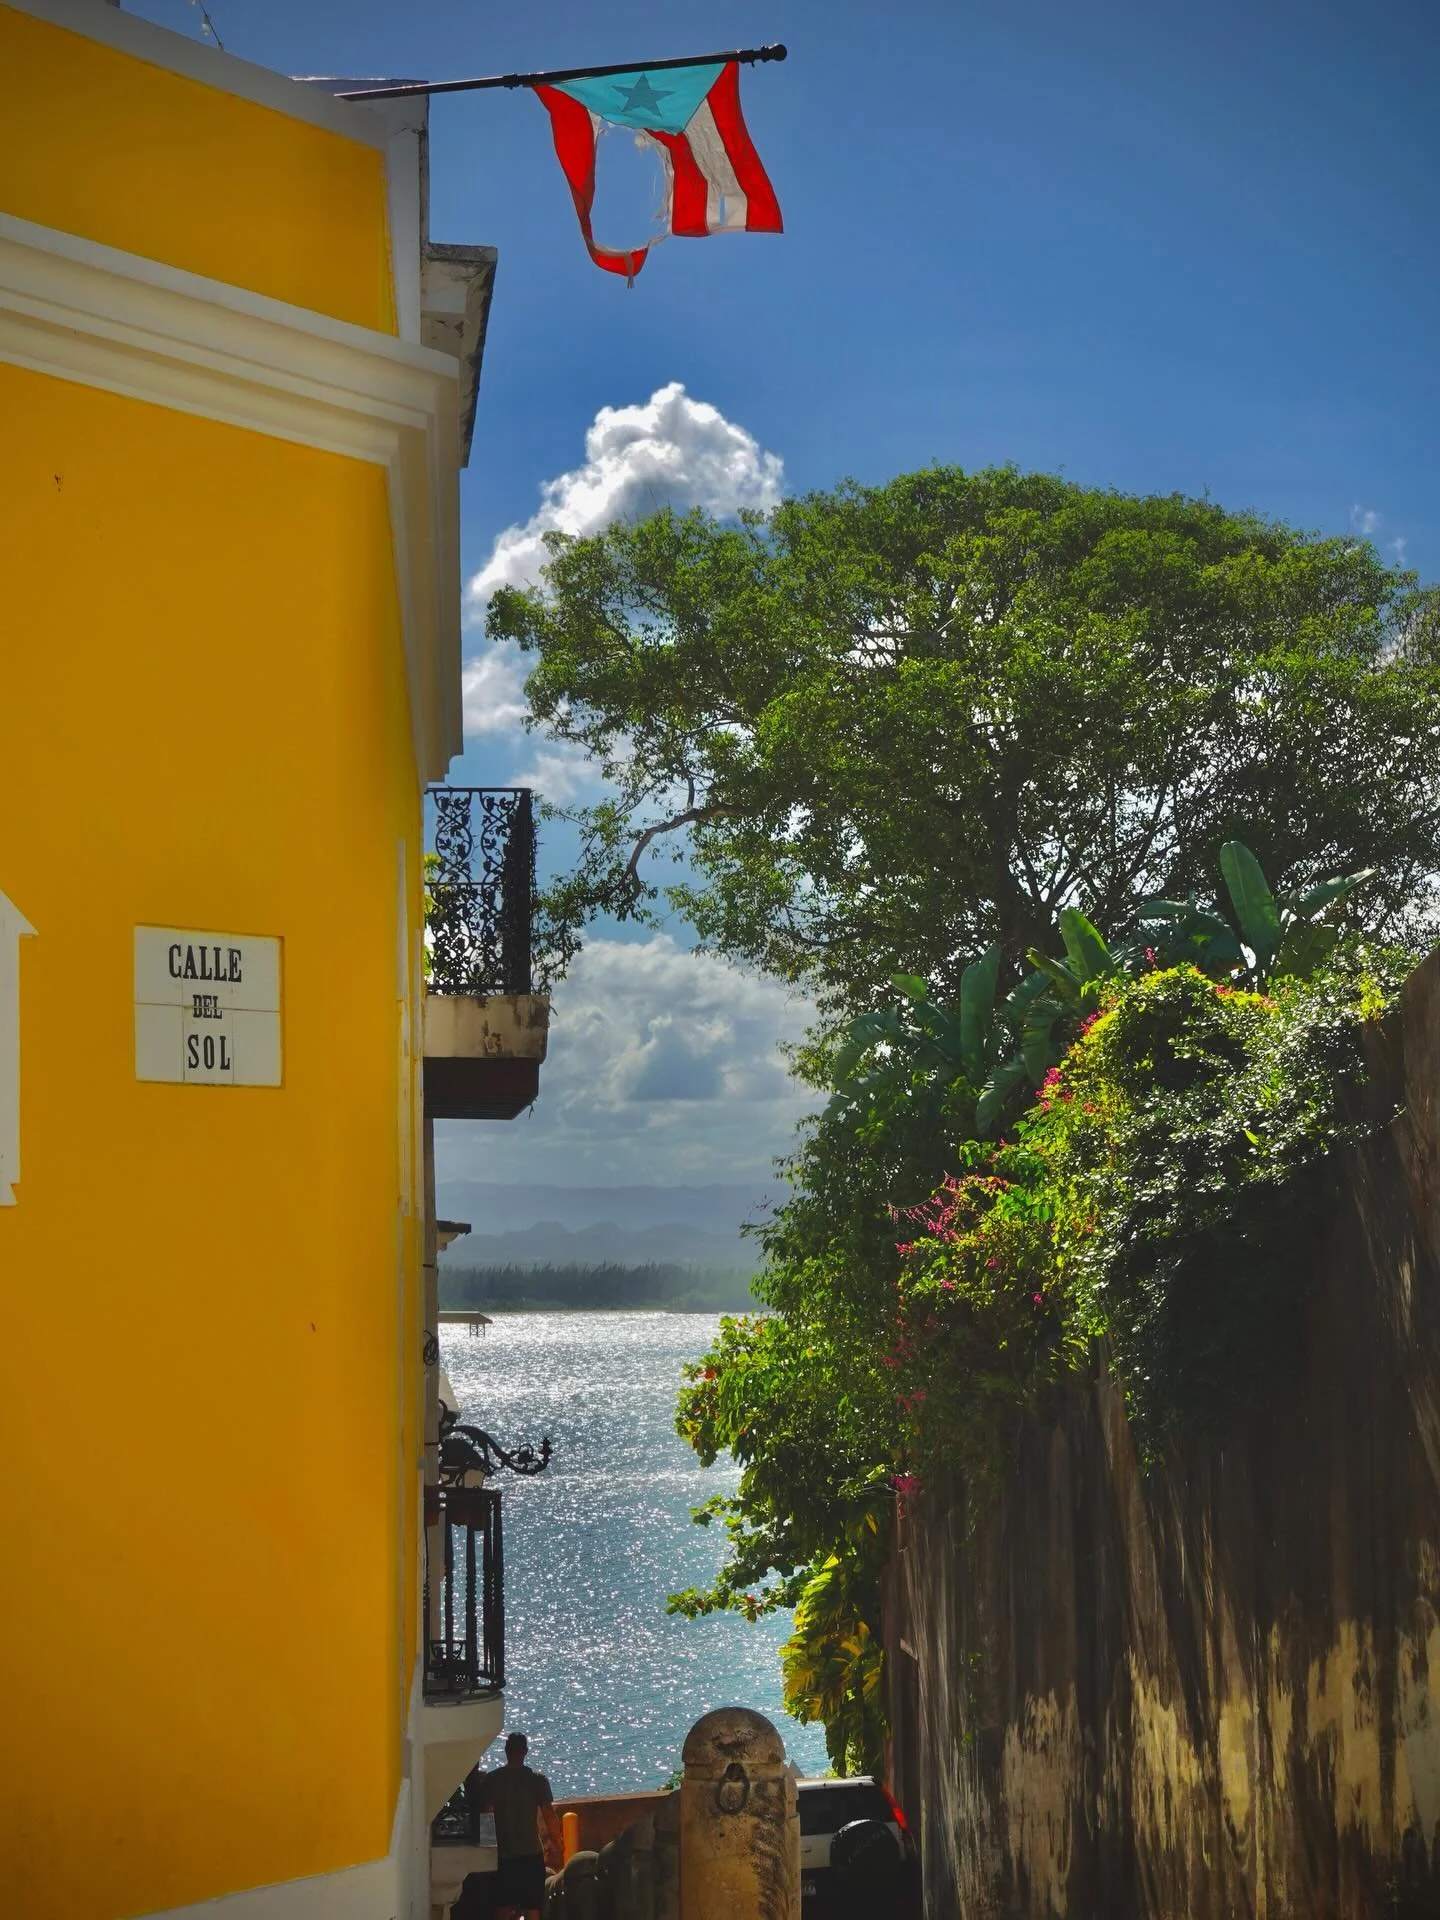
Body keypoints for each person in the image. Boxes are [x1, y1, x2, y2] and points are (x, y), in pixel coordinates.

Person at [471, 1731, 561, 1920]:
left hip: (504, 1856)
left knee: (501, 1907)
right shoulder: (537, 1780)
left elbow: (486, 1814)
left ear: (506, 1750)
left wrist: (487, 1849)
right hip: (531, 1856)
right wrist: (558, 1842)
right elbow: (549, 1816)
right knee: (532, 1910)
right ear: (525, 1752)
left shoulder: (492, 1780)